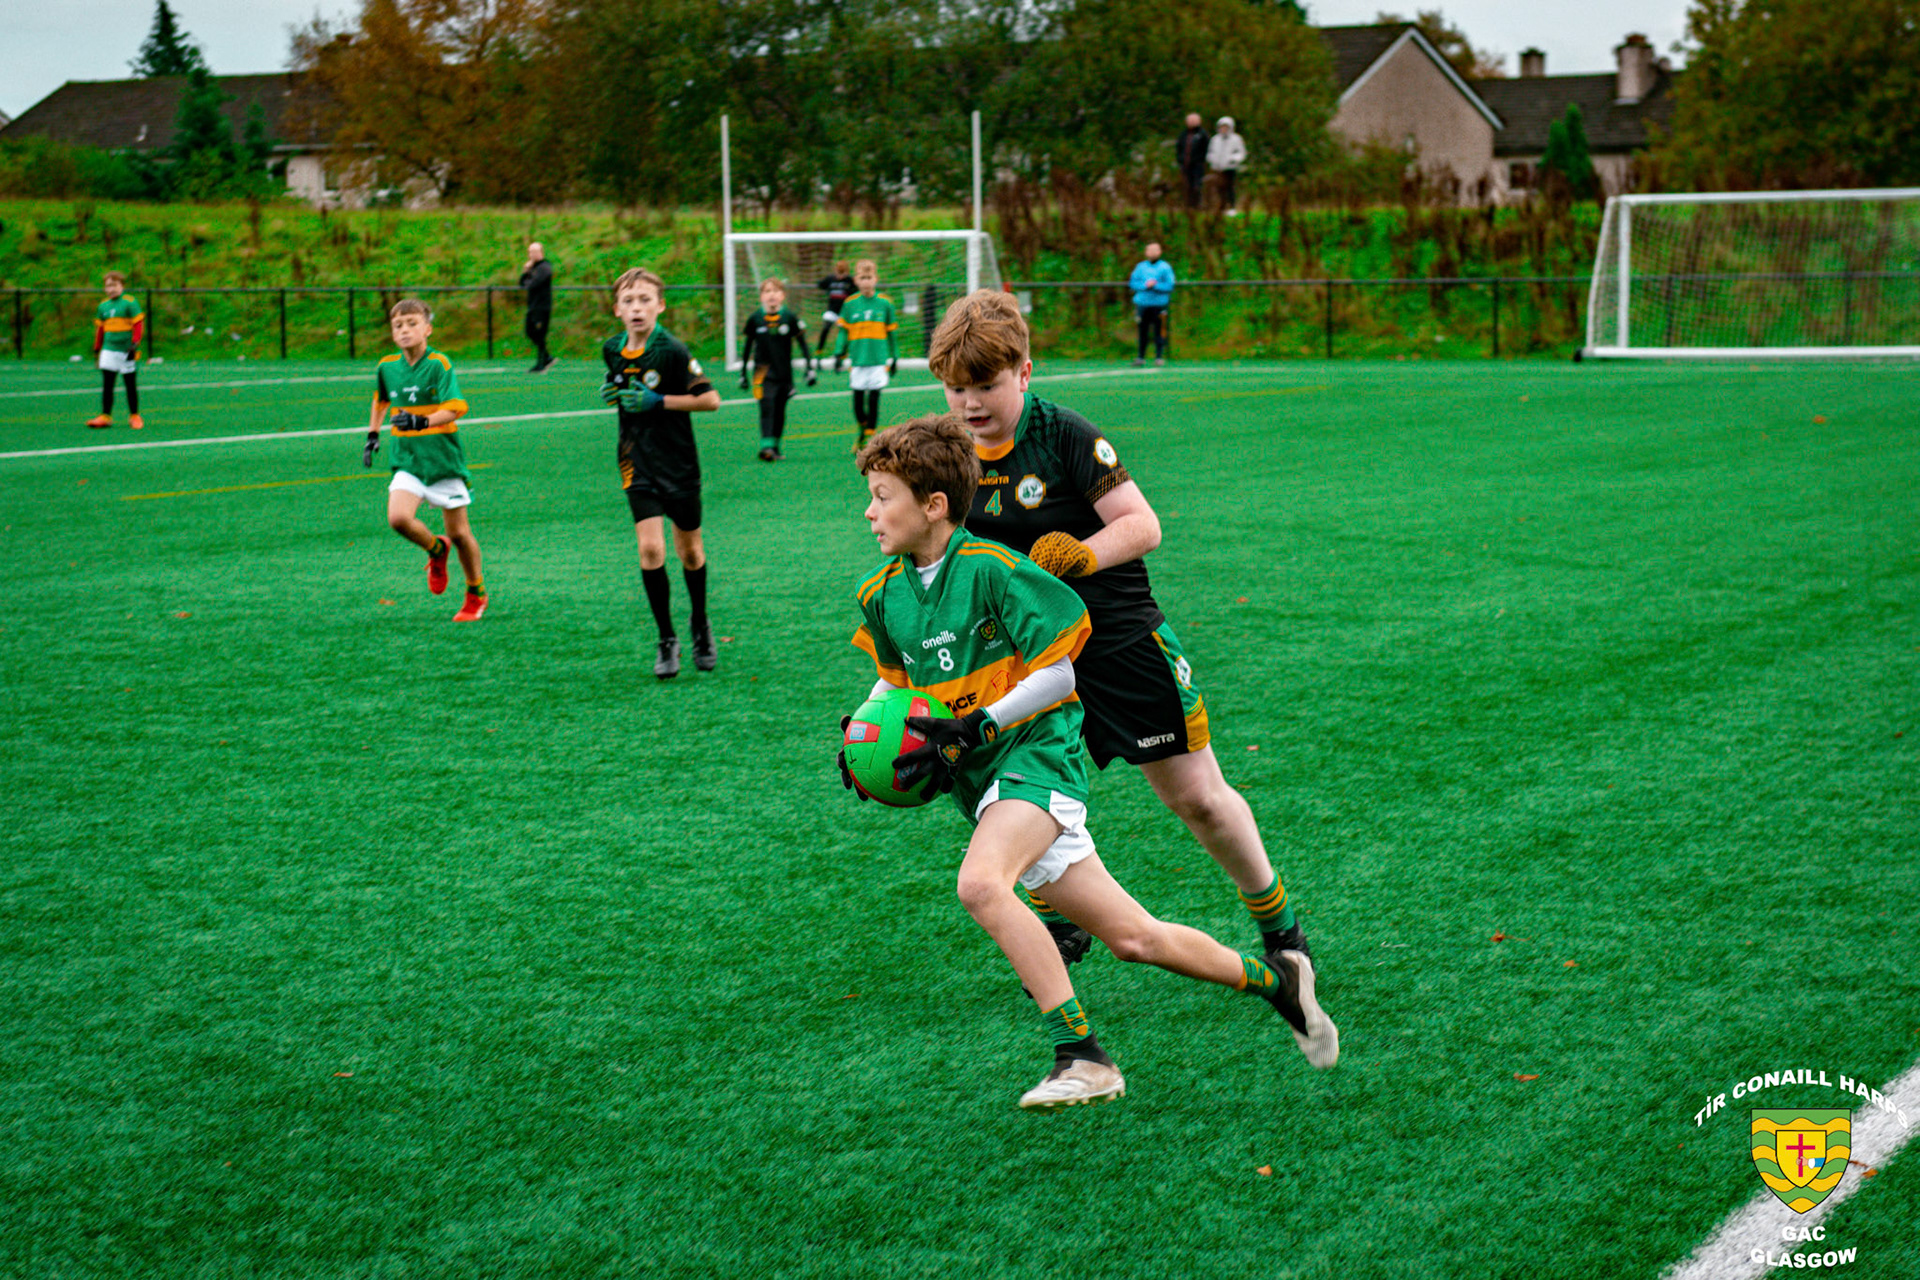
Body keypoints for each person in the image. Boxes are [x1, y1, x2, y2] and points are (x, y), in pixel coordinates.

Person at [840, 413, 1329, 1110]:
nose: (869, 511)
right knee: (1136, 939)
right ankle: (1278, 982)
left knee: (981, 884)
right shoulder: (881, 593)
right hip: (984, 782)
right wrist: (862, 739)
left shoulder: (996, 571)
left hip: (1037, 758)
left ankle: (1083, 1056)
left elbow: (1061, 674)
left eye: (882, 496)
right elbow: (894, 685)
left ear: (935, 505)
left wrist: (977, 724)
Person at [926, 289, 1338, 1071]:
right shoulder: (949, 449)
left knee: (1198, 800)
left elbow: (1143, 525)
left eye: (986, 385)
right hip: (1027, 662)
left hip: (1118, 646)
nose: (971, 403)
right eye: (956, 387)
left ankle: (1282, 931)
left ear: (1024, 372)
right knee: (1006, 793)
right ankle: (1061, 915)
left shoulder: (1066, 434)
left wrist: (1083, 554)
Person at [600, 267, 722, 678]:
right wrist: (614, 391)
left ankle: (700, 624)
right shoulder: (612, 349)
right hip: (636, 461)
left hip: (679, 463)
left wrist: (659, 401)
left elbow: (710, 400)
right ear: (617, 309)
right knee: (651, 550)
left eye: (645, 300)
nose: (637, 308)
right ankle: (667, 639)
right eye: (628, 301)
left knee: (690, 552)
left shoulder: (672, 350)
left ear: (660, 306)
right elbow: (621, 384)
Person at [361, 299, 487, 622]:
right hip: (408, 459)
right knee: (398, 519)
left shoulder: (439, 364)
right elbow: (381, 400)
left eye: (412, 323)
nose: (404, 330)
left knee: (460, 534)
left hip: (442, 459)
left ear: (428, 329)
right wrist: (373, 434)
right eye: (398, 325)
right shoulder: (387, 367)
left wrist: (422, 421)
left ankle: (475, 592)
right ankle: (436, 549)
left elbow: (455, 407)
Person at [739, 276, 817, 462]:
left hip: (784, 373)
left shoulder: (789, 318)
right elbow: (747, 348)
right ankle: (766, 447)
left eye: (775, 291)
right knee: (767, 406)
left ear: (782, 295)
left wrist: (809, 368)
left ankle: (774, 446)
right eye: (767, 291)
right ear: (761, 296)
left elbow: (803, 344)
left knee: (780, 410)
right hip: (761, 374)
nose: (771, 295)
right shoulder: (755, 319)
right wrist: (743, 374)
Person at [832, 259, 898, 451]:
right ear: (856, 280)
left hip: (878, 360)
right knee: (858, 404)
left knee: (874, 399)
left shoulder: (885, 303)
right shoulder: (850, 304)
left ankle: (870, 437)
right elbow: (843, 332)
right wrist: (838, 353)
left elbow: (892, 333)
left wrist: (895, 357)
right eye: (863, 278)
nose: (866, 282)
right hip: (858, 360)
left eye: (869, 277)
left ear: (876, 279)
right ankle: (863, 429)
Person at [86, 271, 144, 430]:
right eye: (108, 286)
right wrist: (97, 348)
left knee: (130, 384)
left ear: (122, 286)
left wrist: (135, 344)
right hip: (109, 350)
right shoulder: (103, 306)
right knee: (107, 384)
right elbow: (100, 329)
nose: (111, 289)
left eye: (114, 285)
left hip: (126, 350)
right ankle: (105, 416)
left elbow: (138, 325)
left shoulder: (130, 302)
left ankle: (134, 415)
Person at [1128, 243, 1174, 367]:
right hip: (1143, 304)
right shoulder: (1140, 267)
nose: (1152, 252)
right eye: (1150, 250)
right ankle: (1140, 357)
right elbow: (1133, 283)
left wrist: (1156, 285)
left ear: (1160, 252)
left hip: (1159, 305)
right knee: (1142, 331)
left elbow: (1170, 285)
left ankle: (1159, 357)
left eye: (1155, 250)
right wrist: (1145, 285)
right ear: (1146, 252)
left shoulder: (1165, 267)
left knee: (1160, 331)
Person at [519, 242, 555, 373]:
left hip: (542, 306)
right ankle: (547, 357)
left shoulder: (545, 267)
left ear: (540, 252)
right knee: (530, 332)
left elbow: (533, 284)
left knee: (540, 334)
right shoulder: (533, 268)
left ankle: (541, 363)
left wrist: (529, 280)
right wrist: (526, 271)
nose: (531, 255)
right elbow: (522, 284)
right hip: (533, 306)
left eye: (533, 252)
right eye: (529, 252)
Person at [816, 261, 857, 370]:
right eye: (839, 273)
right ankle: (818, 354)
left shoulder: (850, 280)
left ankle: (839, 358)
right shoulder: (830, 279)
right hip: (832, 310)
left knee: (844, 334)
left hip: (844, 312)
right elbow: (821, 285)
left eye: (842, 273)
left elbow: (856, 291)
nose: (840, 276)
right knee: (825, 329)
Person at [1208, 116, 1248, 215]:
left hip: (1230, 168)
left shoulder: (1236, 139)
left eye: (1226, 127)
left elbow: (1241, 153)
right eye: (1222, 127)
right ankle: (1221, 206)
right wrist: (1212, 160)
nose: (1224, 129)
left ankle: (1232, 207)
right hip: (1217, 168)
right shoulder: (1215, 139)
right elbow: (1210, 152)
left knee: (1230, 187)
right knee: (1219, 188)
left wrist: (1233, 159)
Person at [1176, 113, 1209, 210]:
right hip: (1185, 164)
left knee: (1197, 185)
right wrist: (1180, 159)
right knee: (1187, 185)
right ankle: (1188, 205)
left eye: (1194, 120)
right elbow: (1179, 147)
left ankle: (1197, 205)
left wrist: (1201, 159)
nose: (1191, 122)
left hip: (1198, 164)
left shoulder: (1202, 134)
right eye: (1190, 120)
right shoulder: (1183, 134)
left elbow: (1206, 149)